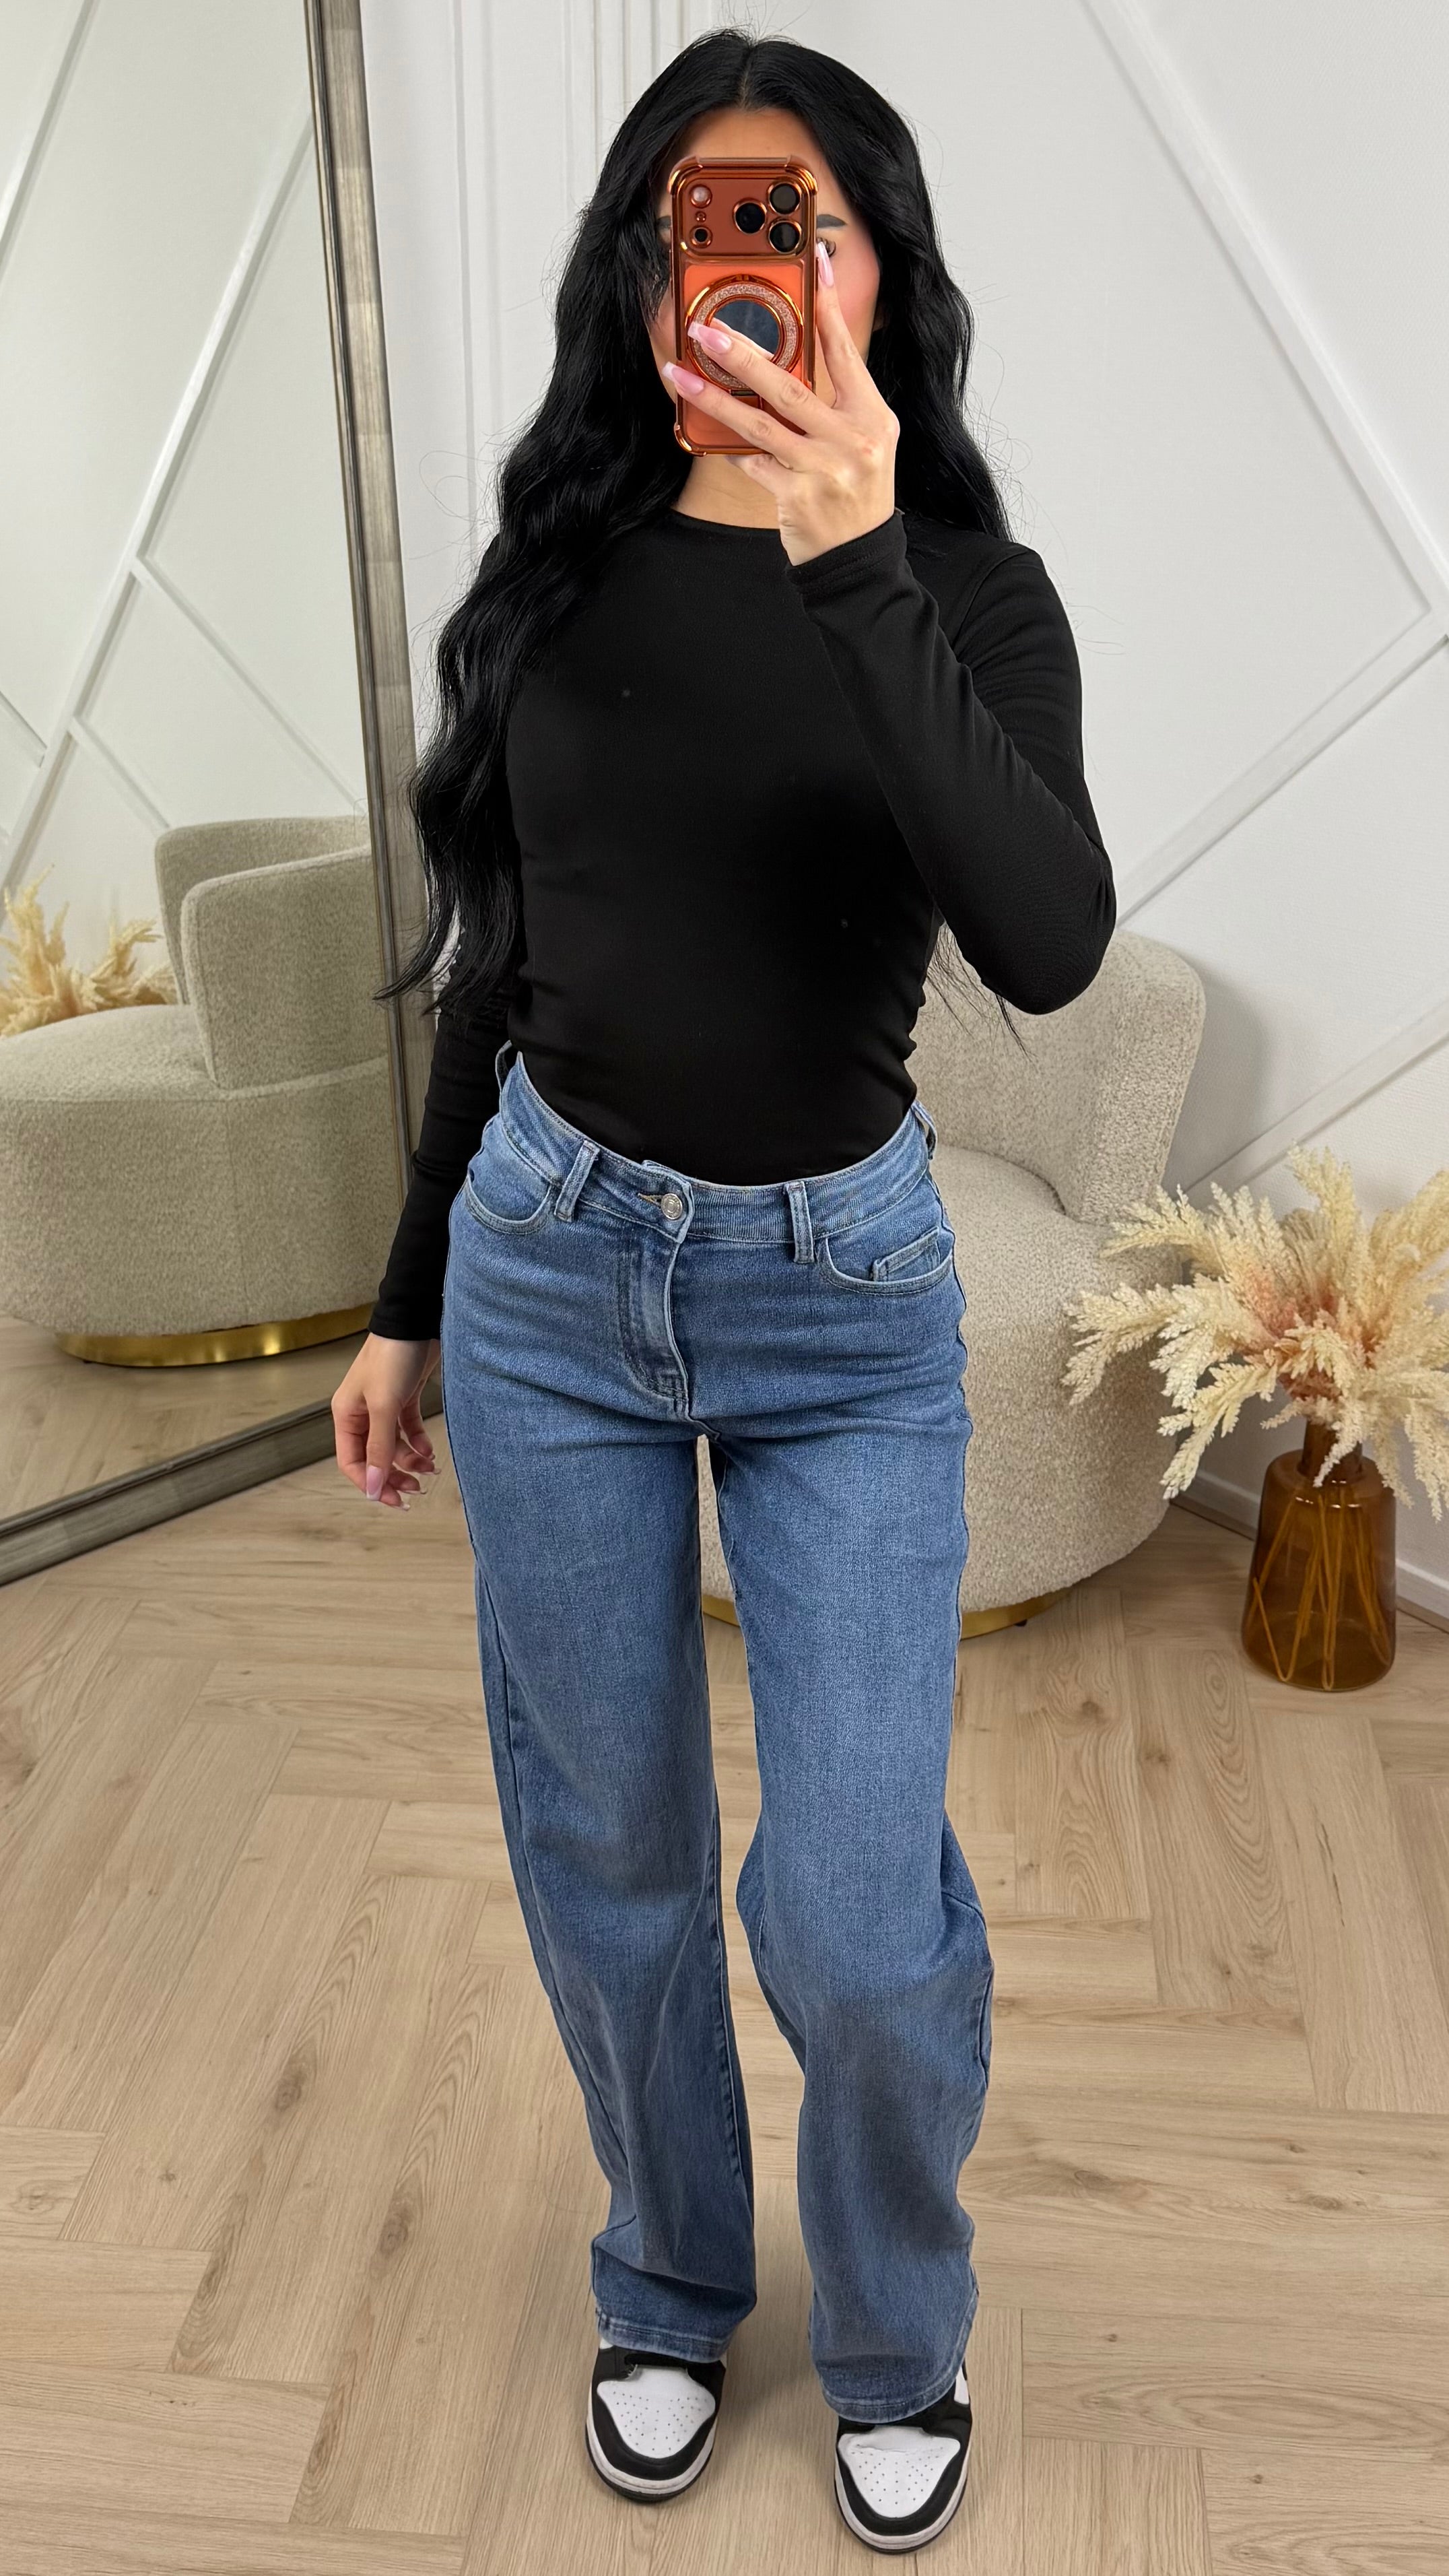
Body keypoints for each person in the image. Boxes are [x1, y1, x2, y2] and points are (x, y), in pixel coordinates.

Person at [333, 28, 1114, 2556]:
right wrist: (407, 1293)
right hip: (552, 1272)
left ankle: (896, 2324)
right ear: (647, 268)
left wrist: (849, 555)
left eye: (805, 216)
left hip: (840, 1306)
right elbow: (510, 949)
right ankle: (670, 2272)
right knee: (616, 1853)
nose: (754, 260)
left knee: (858, 1912)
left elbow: (1050, 937)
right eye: (705, 215)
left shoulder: (964, 588)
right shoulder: (559, 566)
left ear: (878, 269)